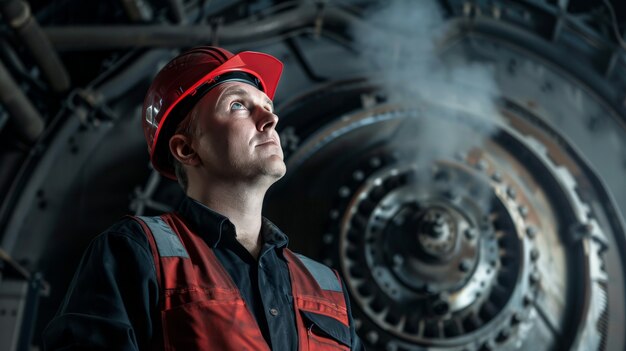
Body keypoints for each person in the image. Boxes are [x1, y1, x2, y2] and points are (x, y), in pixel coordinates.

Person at [42, 46, 364, 350]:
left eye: (268, 107)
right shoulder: (136, 252)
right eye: (238, 105)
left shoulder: (327, 288)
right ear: (186, 149)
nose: (270, 119)